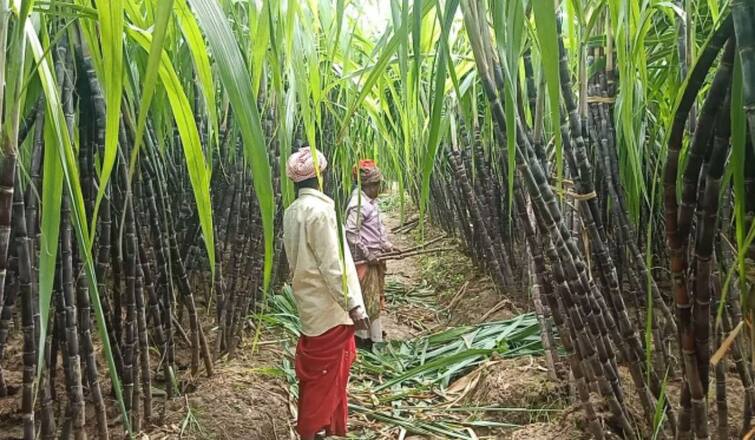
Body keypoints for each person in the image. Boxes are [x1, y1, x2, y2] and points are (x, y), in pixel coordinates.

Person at [282, 146, 369, 440]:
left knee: (326, 375)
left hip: (310, 305)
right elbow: (332, 264)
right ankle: (311, 430)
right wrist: (354, 305)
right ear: (321, 177)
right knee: (324, 378)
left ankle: (330, 429)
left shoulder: (292, 212)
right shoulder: (319, 211)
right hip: (330, 308)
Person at [345, 160, 396, 351]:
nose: (378, 188)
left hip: (375, 258)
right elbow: (351, 233)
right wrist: (368, 254)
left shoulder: (370, 203)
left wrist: (387, 246)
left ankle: (370, 336)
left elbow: (376, 231)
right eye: (376, 185)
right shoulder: (358, 205)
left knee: (373, 299)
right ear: (367, 185)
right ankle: (368, 339)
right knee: (369, 300)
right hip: (364, 261)